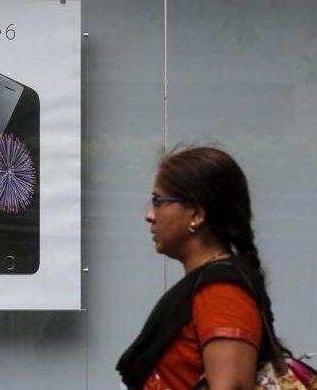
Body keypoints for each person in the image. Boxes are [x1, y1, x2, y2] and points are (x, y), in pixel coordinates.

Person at [117, 146, 277, 389]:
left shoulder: (224, 294)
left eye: (158, 201)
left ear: (196, 214)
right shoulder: (208, 287)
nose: (149, 215)